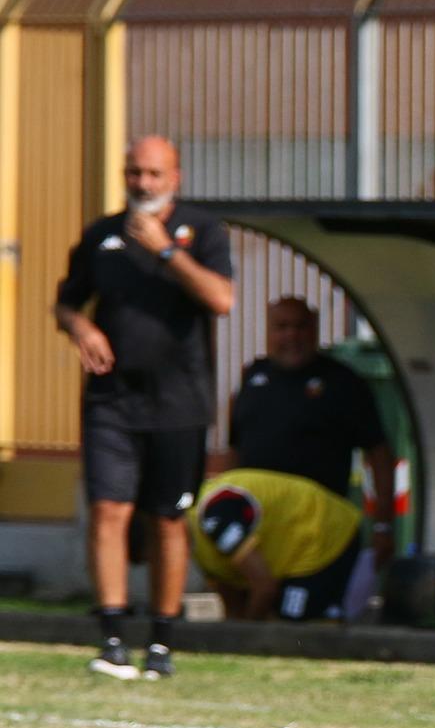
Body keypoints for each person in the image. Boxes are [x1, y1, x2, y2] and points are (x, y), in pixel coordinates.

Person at [54, 135, 235, 681]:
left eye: (154, 174)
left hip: (179, 402)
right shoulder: (101, 235)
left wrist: (165, 251)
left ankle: (161, 642)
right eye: (134, 172)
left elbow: (221, 299)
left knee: (167, 519)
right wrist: (81, 328)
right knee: (108, 510)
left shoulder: (203, 231)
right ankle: (112, 640)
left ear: (175, 177)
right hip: (112, 400)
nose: (143, 183)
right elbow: (65, 303)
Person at [228, 297, 397, 571]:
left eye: (301, 327)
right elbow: (234, 449)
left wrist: (383, 524)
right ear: (268, 331)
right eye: (282, 327)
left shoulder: (342, 381)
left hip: (318, 531)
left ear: (315, 330)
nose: (292, 335)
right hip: (259, 527)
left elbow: (379, 454)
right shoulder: (253, 376)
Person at [186, 468, 362, 622]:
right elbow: (231, 599)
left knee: (291, 629)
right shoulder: (197, 535)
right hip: (290, 545)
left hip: (325, 531)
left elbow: (264, 587)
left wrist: (245, 636)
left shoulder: (214, 517)